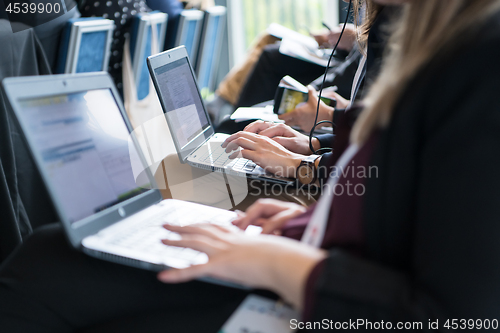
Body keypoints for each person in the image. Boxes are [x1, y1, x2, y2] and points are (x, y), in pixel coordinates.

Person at [3, 0, 500, 332]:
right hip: (319, 259)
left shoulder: (479, 62)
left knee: (41, 267)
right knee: (54, 253)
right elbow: (415, 204)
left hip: (317, 297)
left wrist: (273, 257)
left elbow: (458, 315)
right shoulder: (440, 44)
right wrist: (309, 222)